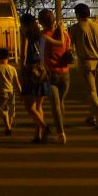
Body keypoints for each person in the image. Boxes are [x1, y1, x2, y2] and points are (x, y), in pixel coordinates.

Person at [69, 2, 98, 129]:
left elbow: (70, 47)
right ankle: (91, 116)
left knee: (92, 92)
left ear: (78, 14)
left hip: (86, 63)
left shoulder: (75, 28)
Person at [39, 8, 72, 144]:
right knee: (61, 102)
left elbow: (41, 57)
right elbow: (68, 49)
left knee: (55, 106)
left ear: (41, 22)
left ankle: (61, 133)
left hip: (51, 73)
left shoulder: (43, 37)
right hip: (65, 73)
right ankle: (60, 126)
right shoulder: (64, 34)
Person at [20, 14, 50, 142]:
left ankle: (44, 127)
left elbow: (23, 55)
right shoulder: (42, 36)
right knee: (38, 106)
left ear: (25, 25)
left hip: (30, 71)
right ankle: (38, 135)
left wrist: (22, 71)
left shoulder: (26, 36)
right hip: (42, 71)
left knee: (29, 106)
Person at [0, 47, 23, 135]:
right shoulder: (12, 68)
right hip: (11, 92)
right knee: (12, 110)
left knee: (4, 110)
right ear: (8, 57)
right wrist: (21, 93)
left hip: (1, 92)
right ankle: (10, 125)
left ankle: (7, 127)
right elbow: (17, 83)